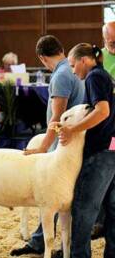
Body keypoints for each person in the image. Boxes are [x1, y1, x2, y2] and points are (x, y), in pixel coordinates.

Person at [11, 35, 84, 257]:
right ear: (61, 50)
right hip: (71, 143)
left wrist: (44, 147)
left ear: (42, 58)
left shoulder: (61, 76)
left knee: (49, 197)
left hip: (62, 144)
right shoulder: (70, 71)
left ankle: (42, 244)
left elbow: (56, 117)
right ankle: (39, 241)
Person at [63, 43, 115, 258]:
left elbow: (102, 111)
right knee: (112, 210)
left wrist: (72, 130)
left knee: (84, 208)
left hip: (99, 152)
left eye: (73, 65)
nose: (74, 71)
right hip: (112, 149)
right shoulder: (105, 76)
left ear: (84, 60)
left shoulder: (94, 77)